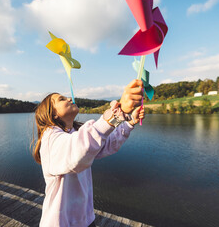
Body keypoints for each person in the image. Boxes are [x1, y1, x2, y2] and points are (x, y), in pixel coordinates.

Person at [32, 79, 145, 227]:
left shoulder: (74, 133)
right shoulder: (50, 138)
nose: (69, 98)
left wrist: (129, 123)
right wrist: (118, 113)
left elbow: (105, 144)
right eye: (61, 99)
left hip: (85, 220)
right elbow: (78, 149)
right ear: (52, 114)